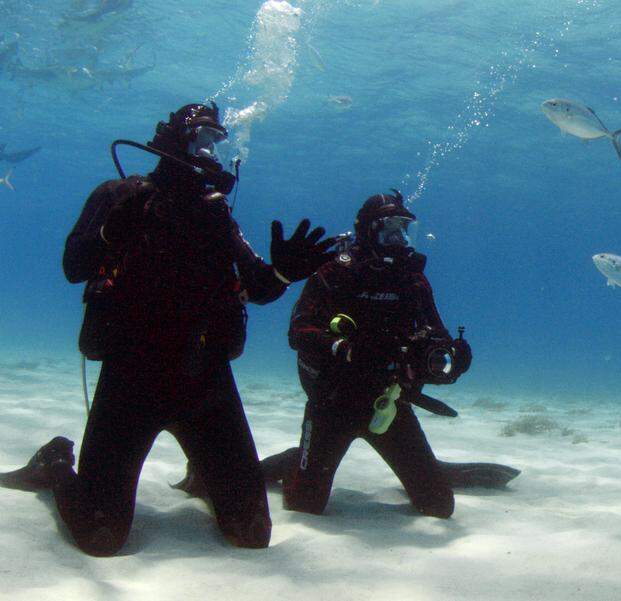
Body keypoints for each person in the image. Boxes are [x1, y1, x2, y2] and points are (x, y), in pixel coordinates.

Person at [0, 102, 335, 556]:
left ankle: (206, 471)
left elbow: (256, 287)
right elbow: (73, 267)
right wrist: (109, 235)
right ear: (172, 141)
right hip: (131, 377)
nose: (210, 151)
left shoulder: (216, 213)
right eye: (201, 139)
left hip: (206, 379)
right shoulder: (120, 195)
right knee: (100, 536)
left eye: (217, 141)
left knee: (252, 532)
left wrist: (283, 272)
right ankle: (55, 462)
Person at [269, 190, 480, 518]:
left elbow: (434, 337)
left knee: (439, 506)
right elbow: (298, 331)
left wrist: (449, 363)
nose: (399, 239)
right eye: (388, 230)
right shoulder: (336, 272)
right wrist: (345, 349)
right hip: (332, 403)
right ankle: (292, 461)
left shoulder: (413, 281)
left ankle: (426, 471)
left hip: (387, 403)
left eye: (403, 229)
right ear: (367, 231)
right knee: (305, 505)